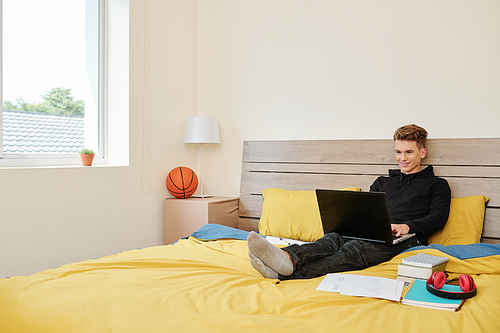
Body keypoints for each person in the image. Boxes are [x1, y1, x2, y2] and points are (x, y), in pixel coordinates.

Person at [247, 124, 451, 280]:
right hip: (375, 232)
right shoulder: (382, 182)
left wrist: (406, 226)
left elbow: (438, 218)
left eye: (409, 152)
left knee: (355, 250)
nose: (402, 158)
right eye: (398, 152)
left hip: (407, 239)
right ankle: (286, 256)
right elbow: (367, 211)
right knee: (332, 238)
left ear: (422, 153)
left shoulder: (436, 184)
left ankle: (283, 274)